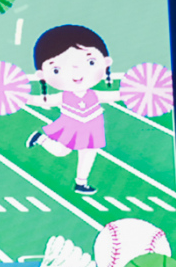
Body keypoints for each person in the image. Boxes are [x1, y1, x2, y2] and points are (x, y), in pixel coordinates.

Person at [25, 24, 114, 194]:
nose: (76, 72)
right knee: (60, 151)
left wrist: (138, 92)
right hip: (71, 128)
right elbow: (43, 100)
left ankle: (81, 183)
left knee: (89, 154)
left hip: (92, 128)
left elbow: (114, 95)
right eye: (57, 69)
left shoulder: (94, 94)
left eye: (90, 62)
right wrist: (23, 98)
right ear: (42, 74)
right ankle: (40, 139)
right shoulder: (64, 96)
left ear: (106, 62)